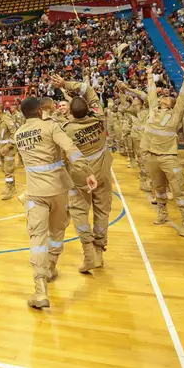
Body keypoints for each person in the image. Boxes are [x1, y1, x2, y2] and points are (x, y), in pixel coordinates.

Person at [15, 97, 96, 309]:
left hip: (35, 193)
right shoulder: (51, 127)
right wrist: (87, 171)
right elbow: (71, 149)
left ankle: (40, 290)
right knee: (57, 232)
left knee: (37, 238)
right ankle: (51, 267)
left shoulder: (18, 134)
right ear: (40, 111)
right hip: (59, 189)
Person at [54, 76, 111, 272]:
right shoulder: (99, 117)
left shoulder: (67, 130)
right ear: (89, 109)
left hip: (80, 177)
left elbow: (62, 157)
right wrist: (65, 84)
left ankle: (88, 253)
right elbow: (88, 89)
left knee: (79, 213)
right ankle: (99, 251)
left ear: (70, 112)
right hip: (102, 174)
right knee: (102, 212)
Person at [136, 62, 184, 236]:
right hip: (151, 156)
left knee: (178, 189)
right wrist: (149, 75)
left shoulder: (175, 115)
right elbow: (151, 93)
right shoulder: (153, 110)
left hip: (168, 157)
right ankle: (162, 212)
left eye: (167, 97)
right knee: (159, 188)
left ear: (171, 104)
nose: (163, 97)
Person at [0, 102, 18, 200]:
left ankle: (10, 189)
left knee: (8, 170)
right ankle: (12, 187)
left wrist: (8, 146)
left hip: (9, 150)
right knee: (3, 169)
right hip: (0, 149)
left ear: (0, 110)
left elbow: (14, 134)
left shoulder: (7, 119)